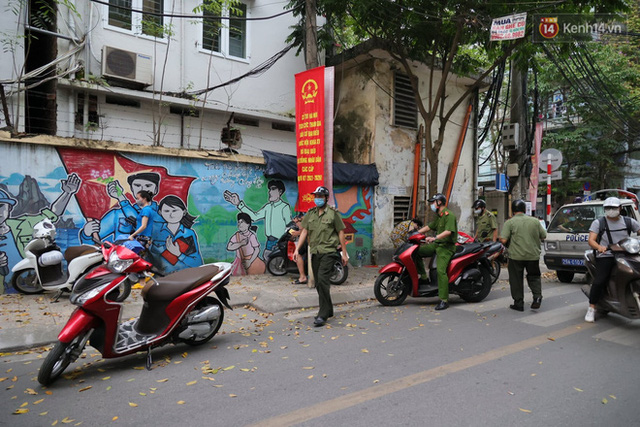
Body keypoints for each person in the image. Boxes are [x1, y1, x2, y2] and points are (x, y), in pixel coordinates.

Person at [293, 186, 348, 327]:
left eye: (320, 196)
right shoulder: (310, 214)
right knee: (319, 283)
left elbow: (341, 232)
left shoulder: (333, 214)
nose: (317, 199)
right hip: (315, 252)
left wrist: (344, 253)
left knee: (323, 280)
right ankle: (328, 309)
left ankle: (322, 314)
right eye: (316, 196)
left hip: (329, 251)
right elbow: (304, 231)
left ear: (326, 198)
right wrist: (297, 249)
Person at [584, 197, 640, 322]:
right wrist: (600, 247)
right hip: (607, 255)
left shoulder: (629, 221)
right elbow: (591, 240)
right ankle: (592, 308)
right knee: (600, 280)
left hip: (627, 253)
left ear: (620, 208)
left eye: (614, 208)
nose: (611, 210)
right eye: (608, 208)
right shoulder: (599, 223)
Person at [223, 179, 292, 260]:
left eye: (273, 189)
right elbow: (254, 217)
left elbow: (289, 225)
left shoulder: (284, 207)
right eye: (270, 189)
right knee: (268, 258)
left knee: (276, 260)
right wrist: (239, 204)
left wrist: (287, 239)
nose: (270, 192)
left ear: (280, 192)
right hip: (270, 241)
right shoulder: (268, 207)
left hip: (280, 240)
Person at [499, 199, 547, 312]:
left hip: (516, 256)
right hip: (533, 255)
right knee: (534, 277)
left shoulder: (510, 222)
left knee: (516, 280)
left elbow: (504, 240)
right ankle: (537, 297)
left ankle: (519, 303)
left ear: (513, 210)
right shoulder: (535, 221)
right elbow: (544, 235)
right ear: (524, 209)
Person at [415, 193, 458, 311]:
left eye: (433, 202)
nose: (432, 205)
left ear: (439, 202)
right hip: (437, 245)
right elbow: (429, 227)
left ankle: (444, 300)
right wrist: (416, 233)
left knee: (440, 271)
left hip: (446, 248)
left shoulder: (449, 215)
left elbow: (449, 231)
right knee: (416, 252)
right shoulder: (439, 216)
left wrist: (435, 238)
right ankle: (424, 277)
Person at [150, 195, 203, 274]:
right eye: (166, 211)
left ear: (184, 212)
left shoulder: (188, 234)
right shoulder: (156, 231)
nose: (171, 215)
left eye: (174, 211)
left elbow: (197, 262)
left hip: (186, 274)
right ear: (160, 212)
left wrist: (178, 254)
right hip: (162, 275)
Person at [288, 213, 308, 284]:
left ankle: (302, 276)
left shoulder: (307, 217)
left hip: (309, 242)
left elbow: (302, 232)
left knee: (298, 255)